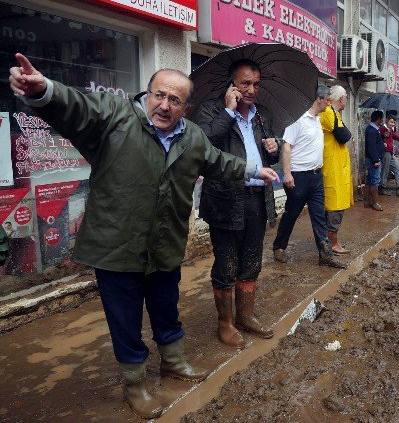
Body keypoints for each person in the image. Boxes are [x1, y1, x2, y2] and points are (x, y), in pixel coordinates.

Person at [8, 53, 279, 419]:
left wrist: (253, 169)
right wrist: (45, 91)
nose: (164, 106)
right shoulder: (115, 117)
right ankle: (135, 383)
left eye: (174, 100)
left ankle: (173, 362)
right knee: (125, 318)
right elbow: (78, 107)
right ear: (147, 94)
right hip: (117, 246)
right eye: (158, 95)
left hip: (164, 243)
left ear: (187, 106)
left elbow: (217, 161)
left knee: (167, 308)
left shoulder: (192, 136)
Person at [191, 59, 279, 348]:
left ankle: (246, 316)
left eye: (256, 84)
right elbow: (203, 145)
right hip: (225, 200)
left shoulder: (262, 115)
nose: (252, 90)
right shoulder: (212, 110)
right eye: (245, 83)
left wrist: (274, 149)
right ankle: (225, 323)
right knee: (226, 264)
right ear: (232, 84)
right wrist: (228, 111)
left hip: (257, 199)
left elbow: (266, 156)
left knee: (252, 262)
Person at [272, 85, 345, 269]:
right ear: (319, 99)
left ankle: (325, 255)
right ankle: (279, 247)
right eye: (327, 101)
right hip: (298, 177)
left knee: (319, 216)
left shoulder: (318, 120)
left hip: (316, 177)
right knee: (291, 214)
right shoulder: (297, 120)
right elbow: (286, 146)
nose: (329, 105)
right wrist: (287, 173)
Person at [319, 85, 354, 255]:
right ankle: (332, 244)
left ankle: (329, 242)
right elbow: (344, 135)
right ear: (342, 98)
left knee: (336, 206)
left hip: (337, 167)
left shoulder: (335, 113)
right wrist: (348, 133)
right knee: (334, 207)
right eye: (346, 97)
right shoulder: (328, 112)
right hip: (332, 168)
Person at [379, 115, 399, 196]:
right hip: (385, 153)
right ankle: (382, 187)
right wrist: (382, 142)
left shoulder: (390, 129)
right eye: (391, 122)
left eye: (394, 123)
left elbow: (394, 136)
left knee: (398, 168)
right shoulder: (383, 129)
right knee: (385, 171)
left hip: (390, 153)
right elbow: (379, 137)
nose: (392, 124)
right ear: (387, 121)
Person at [364, 110, 386, 211]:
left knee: (370, 179)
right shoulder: (372, 130)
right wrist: (376, 160)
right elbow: (371, 146)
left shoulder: (372, 129)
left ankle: (368, 201)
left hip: (371, 158)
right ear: (378, 119)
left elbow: (374, 143)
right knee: (375, 181)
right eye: (381, 119)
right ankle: (375, 203)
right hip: (373, 160)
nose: (382, 121)